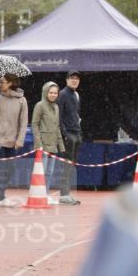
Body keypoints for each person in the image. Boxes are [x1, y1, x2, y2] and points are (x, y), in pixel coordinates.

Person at [0, 73, 29, 207]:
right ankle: (0, 198)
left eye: (3, 82)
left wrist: (20, 140)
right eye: (0, 82)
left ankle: (1, 195)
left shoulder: (22, 100)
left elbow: (23, 122)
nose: (0, 84)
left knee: (10, 168)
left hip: (11, 140)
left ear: (11, 83)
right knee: (1, 168)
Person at [31, 81, 65, 203]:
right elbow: (34, 124)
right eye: (51, 92)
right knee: (41, 171)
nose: (53, 95)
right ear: (46, 92)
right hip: (43, 145)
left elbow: (57, 128)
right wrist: (38, 143)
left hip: (53, 145)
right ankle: (38, 195)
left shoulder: (56, 107)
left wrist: (61, 145)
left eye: (55, 93)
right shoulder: (39, 105)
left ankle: (46, 195)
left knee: (49, 172)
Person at [58, 71, 82, 205]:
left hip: (76, 133)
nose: (75, 81)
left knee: (71, 166)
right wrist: (65, 134)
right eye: (72, 78)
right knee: (66, 165)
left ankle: (67, 193)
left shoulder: (77, 95)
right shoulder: (62, 94)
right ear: (67, 80)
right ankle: (64, 194)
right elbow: (59, 116)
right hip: (68, 134)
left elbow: (77, 116)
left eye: (77, 79)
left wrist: (79, 133)